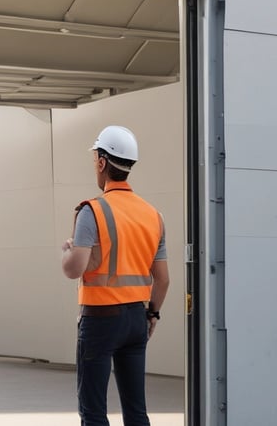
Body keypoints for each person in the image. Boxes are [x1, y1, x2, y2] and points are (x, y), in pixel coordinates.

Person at [60, 125, 171, 426]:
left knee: (93, 412)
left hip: (100, 320)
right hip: (137, 320)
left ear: (101, 162)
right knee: (136, 411)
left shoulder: (91, 211)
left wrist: (67, 250)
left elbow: (74, 270)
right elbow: (162, 279)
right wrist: (153, 314)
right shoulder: (153, 215)